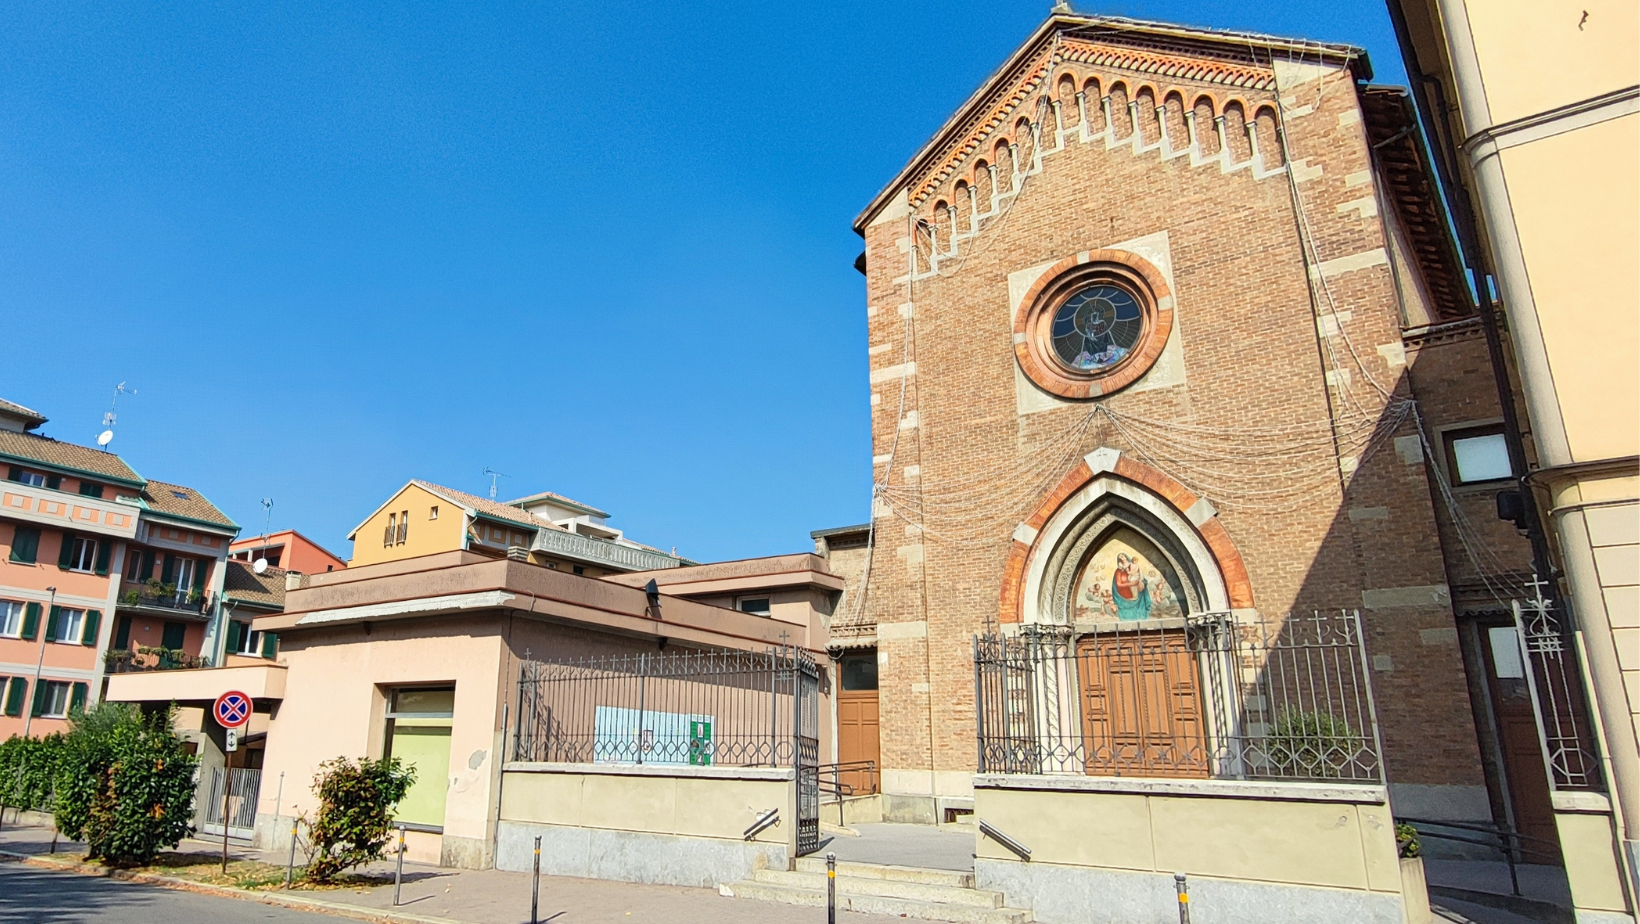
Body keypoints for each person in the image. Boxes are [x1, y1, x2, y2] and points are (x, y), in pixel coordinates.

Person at [1110, 552, 1152, 621]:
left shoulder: (1134, 566)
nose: (1121, 558)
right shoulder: (1118, 571)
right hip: (1125, 598)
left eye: (1122, 556)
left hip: (1138, 596)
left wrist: (1141, 582)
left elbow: (1141, 577)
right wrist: (1132, 584)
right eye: (1120, 558)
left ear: (1126, 557)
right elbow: (1118, 585)